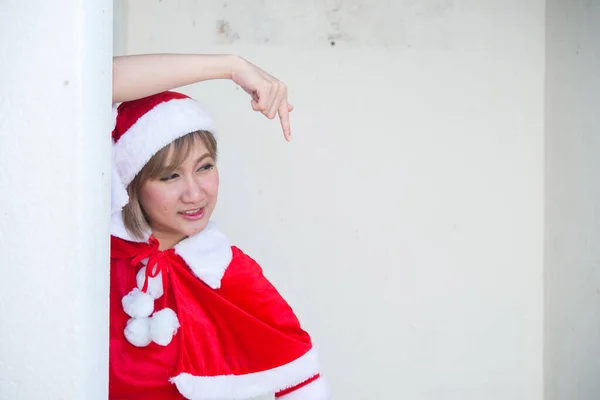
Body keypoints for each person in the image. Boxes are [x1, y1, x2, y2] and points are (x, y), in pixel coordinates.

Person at [109, 54, 329, 400]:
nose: (195, 193)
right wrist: (231, 66)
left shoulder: (226, 271)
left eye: (205, 167)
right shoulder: (96, 254)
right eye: (170, 176)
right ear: (132, 181)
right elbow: (87, 79)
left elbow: (302, 381)